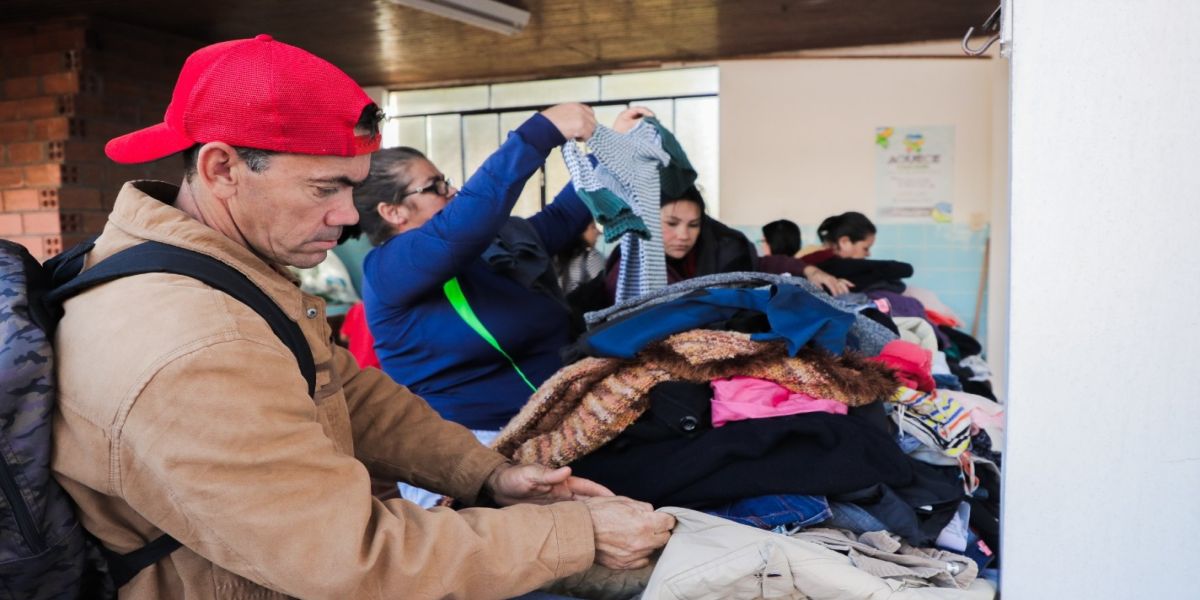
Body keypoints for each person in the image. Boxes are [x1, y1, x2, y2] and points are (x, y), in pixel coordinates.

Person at [51, 35, 672, 600]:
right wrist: (572, 535)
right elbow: (349, 559)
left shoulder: (231, 275)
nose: (350, 216)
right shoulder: (195, 341)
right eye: (325, 188)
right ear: (222, 169)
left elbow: (348, 392)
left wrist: (491, 475)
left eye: (354, 187)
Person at [353, 107, 653, 442]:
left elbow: (565, 215)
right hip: (467, 445)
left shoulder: (496, 244)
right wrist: (540, 132)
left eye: (446, 181)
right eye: (434, 187)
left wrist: (610, 148)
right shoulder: (388, 268)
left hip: (559, 422)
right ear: (393, 212)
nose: (452, 191)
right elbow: (463, 224)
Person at [757, 218, 853, 295]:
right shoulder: (807, 261)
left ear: (774, 243)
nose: (761, 245)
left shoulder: (803, 265)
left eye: (763, 241)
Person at [805, 210, 878, 264]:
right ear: (844, 242)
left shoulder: (812, 257)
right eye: (865, 248)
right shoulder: (820, 261)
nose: (868, 254)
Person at [555, 220, 606, 294]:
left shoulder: (558, 258)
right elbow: (605, 289)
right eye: (593, 227)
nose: (599, 232)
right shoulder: (592, 256)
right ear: (579, 232)